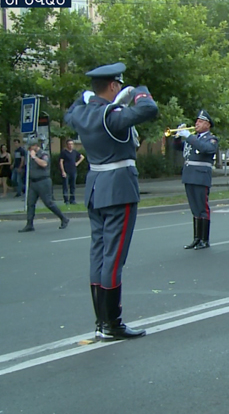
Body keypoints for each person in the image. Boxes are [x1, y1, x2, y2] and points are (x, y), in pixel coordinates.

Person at [65, 61, 157, 340]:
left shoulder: (83, 114)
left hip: (95, 188)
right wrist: (137, 90)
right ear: (114, 86)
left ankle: (100, 322)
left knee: (99, 255)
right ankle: (112, 324)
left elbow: (72, 111)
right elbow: (149, 109)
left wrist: (86, 96)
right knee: (114, 258)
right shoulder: (111, 115)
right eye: (119, 84)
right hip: (118, 188)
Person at [175, 110, 218, 250]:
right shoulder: (193, 138)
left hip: (201, 176)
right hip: (189, 176)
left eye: (200, 122)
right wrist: (177, 137)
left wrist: (189, 136)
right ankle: (196, 238)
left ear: (207, 124)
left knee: (202, 208)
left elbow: (205, 148)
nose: (196, 124)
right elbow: (178, 148)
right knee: (195, 209)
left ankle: (204, 239)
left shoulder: (211, 139)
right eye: (197, 121)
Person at [16, 142, 70, 233]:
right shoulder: (29, 155)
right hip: (33, 183)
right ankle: (29, 224)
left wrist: (34, 157)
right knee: (30, 203)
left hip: (43, 181)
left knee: (48, 202)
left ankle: (64, 218)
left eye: (31, 147)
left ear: (36, 146)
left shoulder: (44, 154)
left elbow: (44, 164)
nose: (29, 149)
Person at [59, 139, 85, 204]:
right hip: (66, 171)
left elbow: (82, 157)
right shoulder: (64, 152)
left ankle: (72, 200)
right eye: (69, 144)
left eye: (71, 144)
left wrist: (77, 163)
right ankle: (66, 200)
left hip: (73, 171)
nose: (70, 145)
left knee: (73, 186)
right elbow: (61, 162)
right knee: (65, 186)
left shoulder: (74, 152)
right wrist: (63, 171)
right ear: (67, 145)